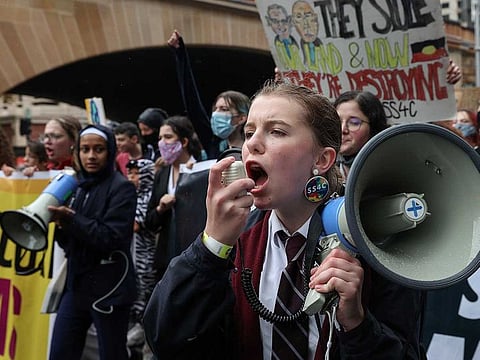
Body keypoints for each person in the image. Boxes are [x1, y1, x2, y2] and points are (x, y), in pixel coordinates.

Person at [143, 81, 425, 359]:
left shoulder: (373, 242)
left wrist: (357, 324)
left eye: (276, 131)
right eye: (249, 131)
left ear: (323, 159)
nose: (252, 143)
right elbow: (164, 339)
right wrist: (211, 248)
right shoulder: (235, 238)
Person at [48, 124, 137, 360]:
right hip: (77, 285)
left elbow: (112, 238)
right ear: (77, 152)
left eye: (98, 149)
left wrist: (72, 219)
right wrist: (60, 225)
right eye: (85, 149)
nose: (91, 156)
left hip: (110, 287)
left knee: (112, 353)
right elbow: (69, 243)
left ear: (110, 152)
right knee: (60, 352)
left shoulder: (122, 188)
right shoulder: (76, 186)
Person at [167, 30, 251, 159]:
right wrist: (180, 55)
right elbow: (192, 105)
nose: (217, 114)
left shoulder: (253, 148)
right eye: (215, 109)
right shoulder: (213, 144)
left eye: (224, 109)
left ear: (242, 118)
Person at [144, 115, 203, 282]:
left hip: (194, 257)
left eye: (168, 137)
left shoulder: (203, 171)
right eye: (160, 138)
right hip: (165, 259)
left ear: (184, 142)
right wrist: (160, 209)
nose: (162, 143)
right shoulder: (162, 174)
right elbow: (150, 221)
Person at [124, 158, 157, 351]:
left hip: (146, 254)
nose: (132, 177)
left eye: (136, 173)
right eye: (130, 173)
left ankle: (145, 332)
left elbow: (135, 225)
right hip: (133, 253)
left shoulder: (147, 196)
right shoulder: (132, 195)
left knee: (145, 289)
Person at [333, 90, 389, 183]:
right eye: (337, 121)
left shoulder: (390, 170)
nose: (342, 129)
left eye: (354, 123)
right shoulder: (326, 172)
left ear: (373, 127)